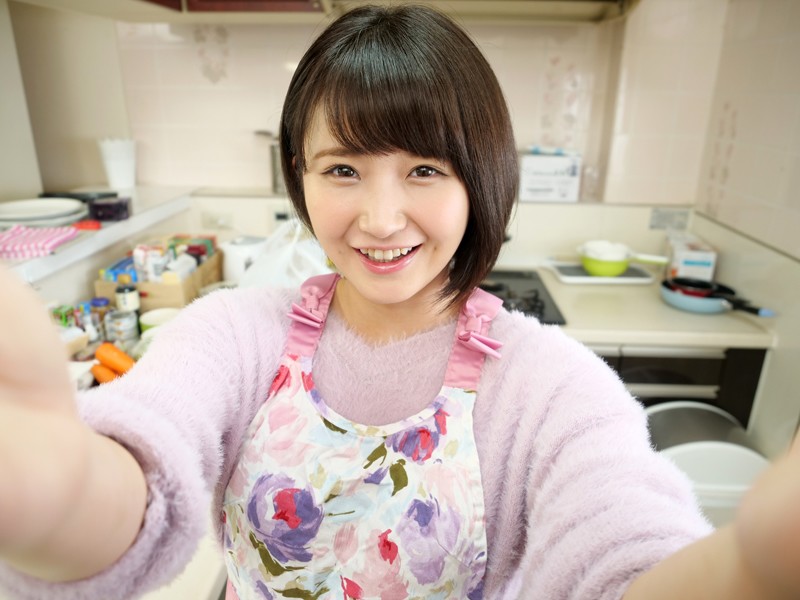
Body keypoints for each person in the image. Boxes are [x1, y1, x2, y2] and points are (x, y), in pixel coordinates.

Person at [0, 4, 798, 600]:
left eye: (424, 170)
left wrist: (747, 569)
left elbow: (619, 554)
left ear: (480, 179)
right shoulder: (232, 336)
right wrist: (56, 495)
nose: (381, 220)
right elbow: (144, 471)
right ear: (299, 176)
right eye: (342, 170)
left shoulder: (549, 388)